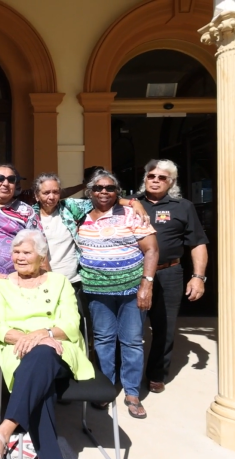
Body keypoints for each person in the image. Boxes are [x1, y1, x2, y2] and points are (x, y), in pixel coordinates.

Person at [0, 230, 93, 459]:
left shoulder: (59, 282)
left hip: (60, 349)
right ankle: (52, 458)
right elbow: (0, 328)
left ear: (42, 256)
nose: (19, 257)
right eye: (16, 252)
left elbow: (71, 323)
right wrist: (33, 339)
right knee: (42, 381)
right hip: (16, 349)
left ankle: (4, 432)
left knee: (44, 354)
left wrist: (45, 334)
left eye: (26, 252)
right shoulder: (1, 287)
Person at [76, 170, 158, 419]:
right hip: (97, 291)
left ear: (117, 192)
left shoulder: (131, 214)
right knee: (103, 339)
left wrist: (147, 284)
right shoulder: (78, 214)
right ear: (90, 191)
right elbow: (49, 200)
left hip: (132, 289)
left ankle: (132, 392)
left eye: (110, 189)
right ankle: (106, 388)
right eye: (98, 188)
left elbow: (152, 250)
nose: (104, 192)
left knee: (132, 340)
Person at [135, 159, 209, 394]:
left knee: (164, 327)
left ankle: (157, 374)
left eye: (162, 177)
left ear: (171, 182)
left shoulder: (183, 206)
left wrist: (198, 276)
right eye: (151, 176)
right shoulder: (131, 205)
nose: (155, 180)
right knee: (128, 328)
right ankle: (123, 377)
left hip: (169, 272)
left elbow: (197, 243)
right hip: (134, 274)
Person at [31, 173, 149, 313]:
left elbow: (102, 200)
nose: (51, 197)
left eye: (55, 192)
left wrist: (133, 203)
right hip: (41, 280)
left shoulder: (69, 208)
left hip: (71, 281)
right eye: (46, 193)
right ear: (37, 195)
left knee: (74, 327)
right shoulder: (30, 216)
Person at [0, 163, 46, 276]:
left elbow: (41, 247)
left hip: (16, 282)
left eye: (11, 179)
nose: (5, 183)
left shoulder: (26, 211)